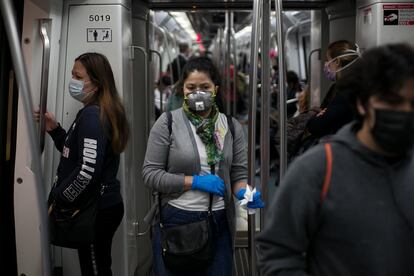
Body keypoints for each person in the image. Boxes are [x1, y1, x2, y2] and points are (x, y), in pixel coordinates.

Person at [256, 43, 414, 276]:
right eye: (391, 102)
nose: (404, 111)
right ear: (362, 103)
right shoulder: (317, 169)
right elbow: (277, 253)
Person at [142, 56, 264, 275]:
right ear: (182, 89)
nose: (198, 92)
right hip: (177, 220)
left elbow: (238, 173)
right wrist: (194, 182)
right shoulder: (168, 123)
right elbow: (151, 175)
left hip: (219, 221)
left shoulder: (231, 126)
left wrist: (246, 194)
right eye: (191, 87)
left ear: (215, 89)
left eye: (205, 87)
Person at [35, 52, 129, 275]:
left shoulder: (92, 116)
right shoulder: (93, 112)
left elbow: (86, 171)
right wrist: (56, 130)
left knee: (95, 269)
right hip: (101, 206)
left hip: (96, 209)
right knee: (95, 266)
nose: (72, 81)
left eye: (78, 77)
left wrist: (59, 198)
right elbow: (77, 155)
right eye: (72, 75)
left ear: (95, 84)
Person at [305, 40, 360, 140]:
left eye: (328, 60)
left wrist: (318, 116)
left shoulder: (345, 92)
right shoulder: (357, 84)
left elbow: (315, 126)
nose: (326, 64)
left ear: (337, 61)